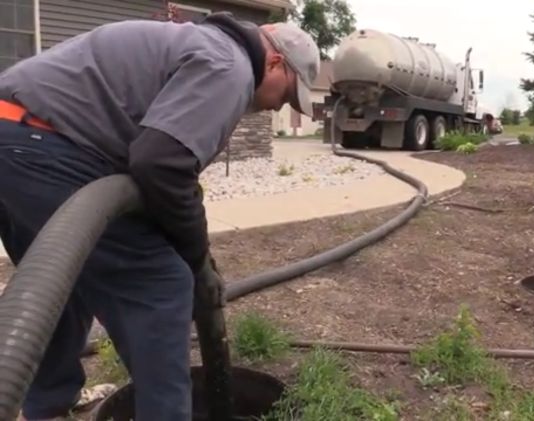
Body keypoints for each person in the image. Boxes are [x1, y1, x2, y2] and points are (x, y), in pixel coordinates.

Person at [0, 11, 320, 421]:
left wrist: (191, 243)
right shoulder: (231, 67)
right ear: (274, 63)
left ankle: (46, 410)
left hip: (17, 139)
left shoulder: (200, 46)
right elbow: (162, 165)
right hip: (43, 147)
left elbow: (168, 170)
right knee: (162, 285)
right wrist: (197, 261)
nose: (279, 105)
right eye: (288, 94)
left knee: (62, 279)